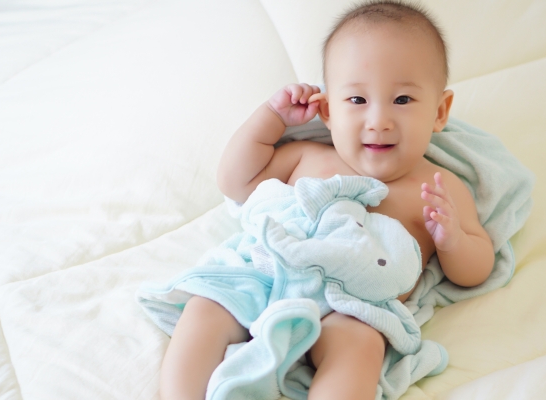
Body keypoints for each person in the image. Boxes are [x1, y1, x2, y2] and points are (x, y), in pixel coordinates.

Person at [160, 1, 494, 399]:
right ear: (327, 110)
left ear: (439, 112)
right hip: (268, 275)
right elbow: (236, 182)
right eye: (357, 100)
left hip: (351, 305)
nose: (379, 120)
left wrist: (452, 239)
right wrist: (271, 117)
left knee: (361, 346)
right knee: (206, 306)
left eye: (402, 100)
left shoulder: (440, 186)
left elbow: (477, 266)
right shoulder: (308, 156)